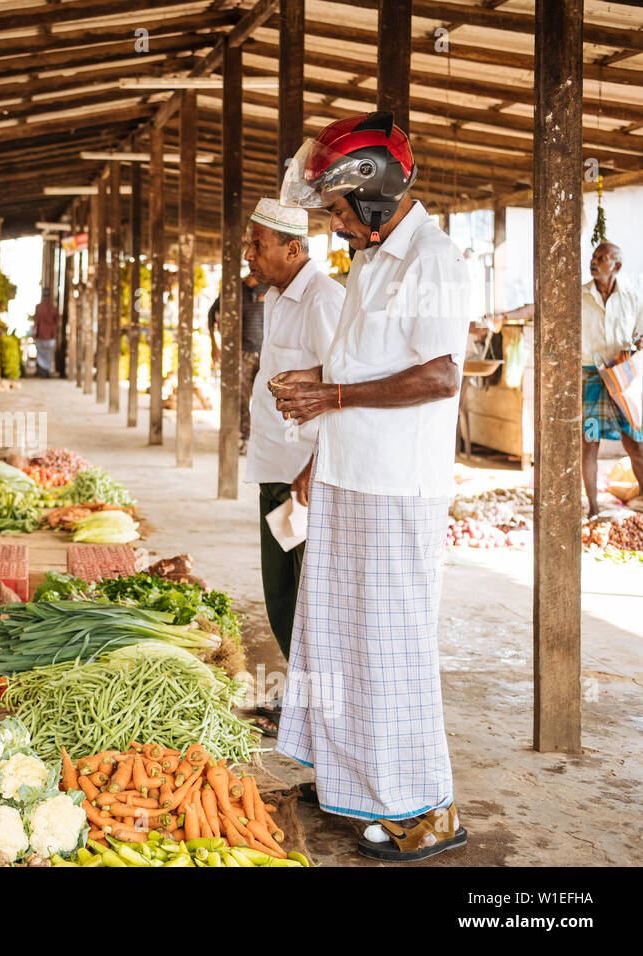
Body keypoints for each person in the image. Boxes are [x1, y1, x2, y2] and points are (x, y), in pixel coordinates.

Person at [271, 111, 471, 862]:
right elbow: (366, 366)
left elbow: (440, 373)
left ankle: (433, 811)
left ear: (377, 196)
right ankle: (371, 790)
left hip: (397, 490)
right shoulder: (375, 262)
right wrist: (319, 384)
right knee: (348, 645)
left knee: (398, 650)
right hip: (355, 479)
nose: (334, 221)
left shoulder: (434, 261)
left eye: (339, 207)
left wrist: (336, 398)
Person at [240, 198, 343, 735]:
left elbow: (341, 389)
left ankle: (318, 712)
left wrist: (315, 467)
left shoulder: (323, 300)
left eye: (258, 244)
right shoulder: (280, 296)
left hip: (303, 478)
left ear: (294, 247)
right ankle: (303, 701)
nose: (249, 253)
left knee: (307, 596)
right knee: (281, 592)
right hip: (276, 470)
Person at [488, 242, 643, 517]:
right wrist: (504, 316)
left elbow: (641, 333)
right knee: (590, 440)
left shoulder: (632, 297)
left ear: (616, 266)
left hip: (621, 378)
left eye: (601, 258)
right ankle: (593, 509)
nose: (594, 261)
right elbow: (541, 305)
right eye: (594, 256)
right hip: (591, 376)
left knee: (635, 443)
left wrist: (637, 346)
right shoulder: (578, 295)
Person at [209, 273, 268, 451]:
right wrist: (214, 345)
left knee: (265, 396)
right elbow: (212, 315)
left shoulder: (269, 288)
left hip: (265, 351)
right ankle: (245, 436)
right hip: (241, 351)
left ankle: (261, 437)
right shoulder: (233, 290)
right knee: (242, 396)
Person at [32, 289, 59, 377]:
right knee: (48, 354)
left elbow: (36, 322)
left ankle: (44, 370)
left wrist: (34, 333)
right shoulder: (53, 308)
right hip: (50, 335)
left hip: (41, 335)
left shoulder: (39, 307)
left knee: (41, 354)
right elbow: (57, 323)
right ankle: (45, 370)